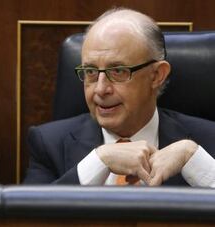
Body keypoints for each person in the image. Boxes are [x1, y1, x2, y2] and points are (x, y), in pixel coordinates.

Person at [24, 8, 215, 187]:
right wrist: (98, 161)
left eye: (117, 71)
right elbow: (27, 218)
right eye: (90, 71)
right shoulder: (48, 144)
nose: (100, 89)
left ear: (157, 75)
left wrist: (197, 163)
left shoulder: (207, 141)